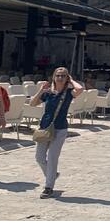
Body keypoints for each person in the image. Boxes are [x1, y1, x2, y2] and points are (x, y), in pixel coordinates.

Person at [32, 67, 84, 198]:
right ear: (53, 77)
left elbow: (80, 89)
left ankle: (48, 187)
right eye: (58, 75)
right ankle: (52, 175)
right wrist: (40, 90)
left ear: (67, 78)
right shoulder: (48, 93)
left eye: (63, 76)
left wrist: (71, 80)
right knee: (39, 157)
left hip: (60, 128)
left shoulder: (69, 93)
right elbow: (32, 103)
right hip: (45, 128)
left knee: (52, 157)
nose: (60, 78)